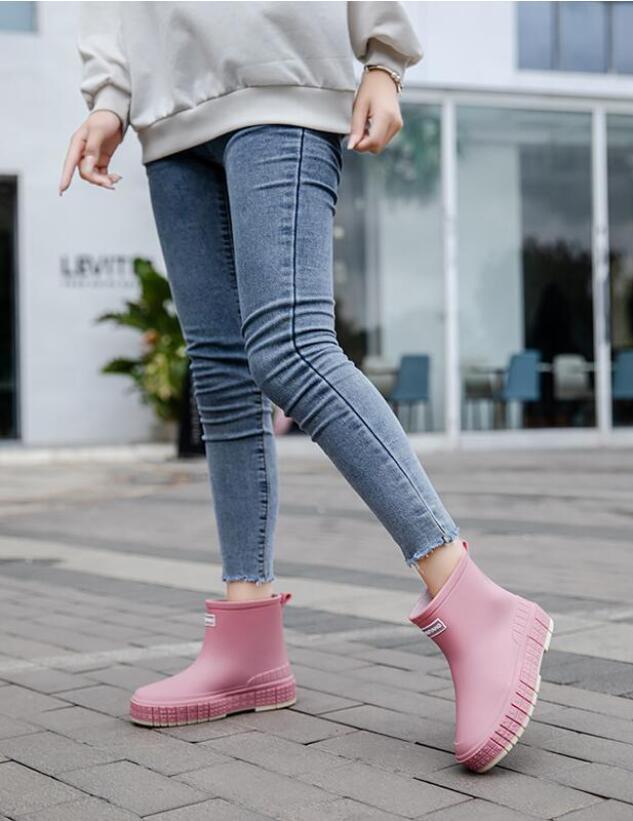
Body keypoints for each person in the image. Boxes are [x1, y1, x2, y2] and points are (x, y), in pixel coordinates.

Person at [60, 1, 553, 774]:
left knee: (290, 348)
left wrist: (384, 56)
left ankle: (474, 601)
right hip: (167, 109)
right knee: (221, 376)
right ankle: (247, 641)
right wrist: (109, 96)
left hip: (279, 71)